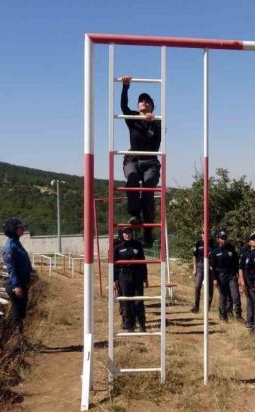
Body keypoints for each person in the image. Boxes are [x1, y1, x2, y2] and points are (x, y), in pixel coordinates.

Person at [120, 75, 162, 248]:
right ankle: (134, 215)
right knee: (131, 178)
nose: (143, 102)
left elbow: (155, 143)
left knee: (148, 189)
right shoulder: (132, 118)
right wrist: (125, 86)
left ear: (152, 106)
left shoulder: (157, 122)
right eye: (141, 101)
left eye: (146, 101)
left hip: (150, 161)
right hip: (133, 158)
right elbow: (123, 106)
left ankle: (147, 232)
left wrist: (152, 123)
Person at [1, 217, 34, 331]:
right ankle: (15, 341)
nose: (23, 229)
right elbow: (11, 268)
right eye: (20, 227)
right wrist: (17, 286)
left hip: (22, 282)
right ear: (14, 229)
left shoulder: (16, 242)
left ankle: (20, 339)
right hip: (16, 285)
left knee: (22, 314)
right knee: (17, 315)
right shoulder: (10, 246)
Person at [113, 226, 148, 332]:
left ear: (132, 233)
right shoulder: (117, 247)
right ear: (122, 234)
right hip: (123, 276)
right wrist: (114, 280)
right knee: (127, 301)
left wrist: (145, 277)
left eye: (129, 232)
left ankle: (142, 325)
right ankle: (130, 326)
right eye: (125, 233)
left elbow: (143, 262)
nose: (127, 234)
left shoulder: (138, 245)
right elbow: (114, 265)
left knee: (138, 301)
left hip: (137, 275)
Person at [210, 230, 242, 322]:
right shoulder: (215, 252)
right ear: (218, 239)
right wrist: (214, 279)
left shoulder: (231, 249)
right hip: (220, 276)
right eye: (221, 238)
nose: (223, 240)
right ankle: (223, 314)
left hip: (231, 275)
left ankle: (238, 315)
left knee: (235, 295)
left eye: (224, 238)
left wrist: (239, 276)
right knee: (223, 296)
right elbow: (213, 267)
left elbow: (237, 263)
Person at [238, 231, 255, 329]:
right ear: (249, 242)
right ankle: (251, 323)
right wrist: (242, 280)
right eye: (253, 239)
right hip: (248, 281)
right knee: (251, 301)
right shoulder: (245, 253)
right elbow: (240, 268)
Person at [191, 231, 215, 313]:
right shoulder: (198, 243)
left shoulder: (212, 243)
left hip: (210, 267)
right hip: (200, 266)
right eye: (204, 233)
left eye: (207, 233)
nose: (206, 235)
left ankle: (207, 308)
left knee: (210, 288)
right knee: (197, 286)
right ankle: (196, 306)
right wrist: (194, 268)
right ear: (201, 235)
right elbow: (194, 256)